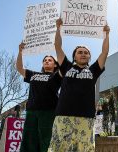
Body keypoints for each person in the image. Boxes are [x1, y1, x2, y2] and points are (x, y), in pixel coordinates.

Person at [49, 18, 110, 151]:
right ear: (74, 56)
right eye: (80, 52)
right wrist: (58, 28)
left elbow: (104, 52)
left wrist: (106, 34)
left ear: (89, 57)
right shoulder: (66, 67)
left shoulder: (93, 70)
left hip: (86, 117)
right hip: (63, 116)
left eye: (86, 52)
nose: (83, 54)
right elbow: (57, 47)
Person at [16, 43, 62, 152]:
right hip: (31, 111)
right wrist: (20, 52)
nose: (46, 61)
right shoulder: (33, 74)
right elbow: (19, 68)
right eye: (45, 60)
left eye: (50, 60)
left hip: (49, 112)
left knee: (46, 139)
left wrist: (58, 45)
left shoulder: (57, 76)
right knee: (29, 140)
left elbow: (64, 66)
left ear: (55, 65)